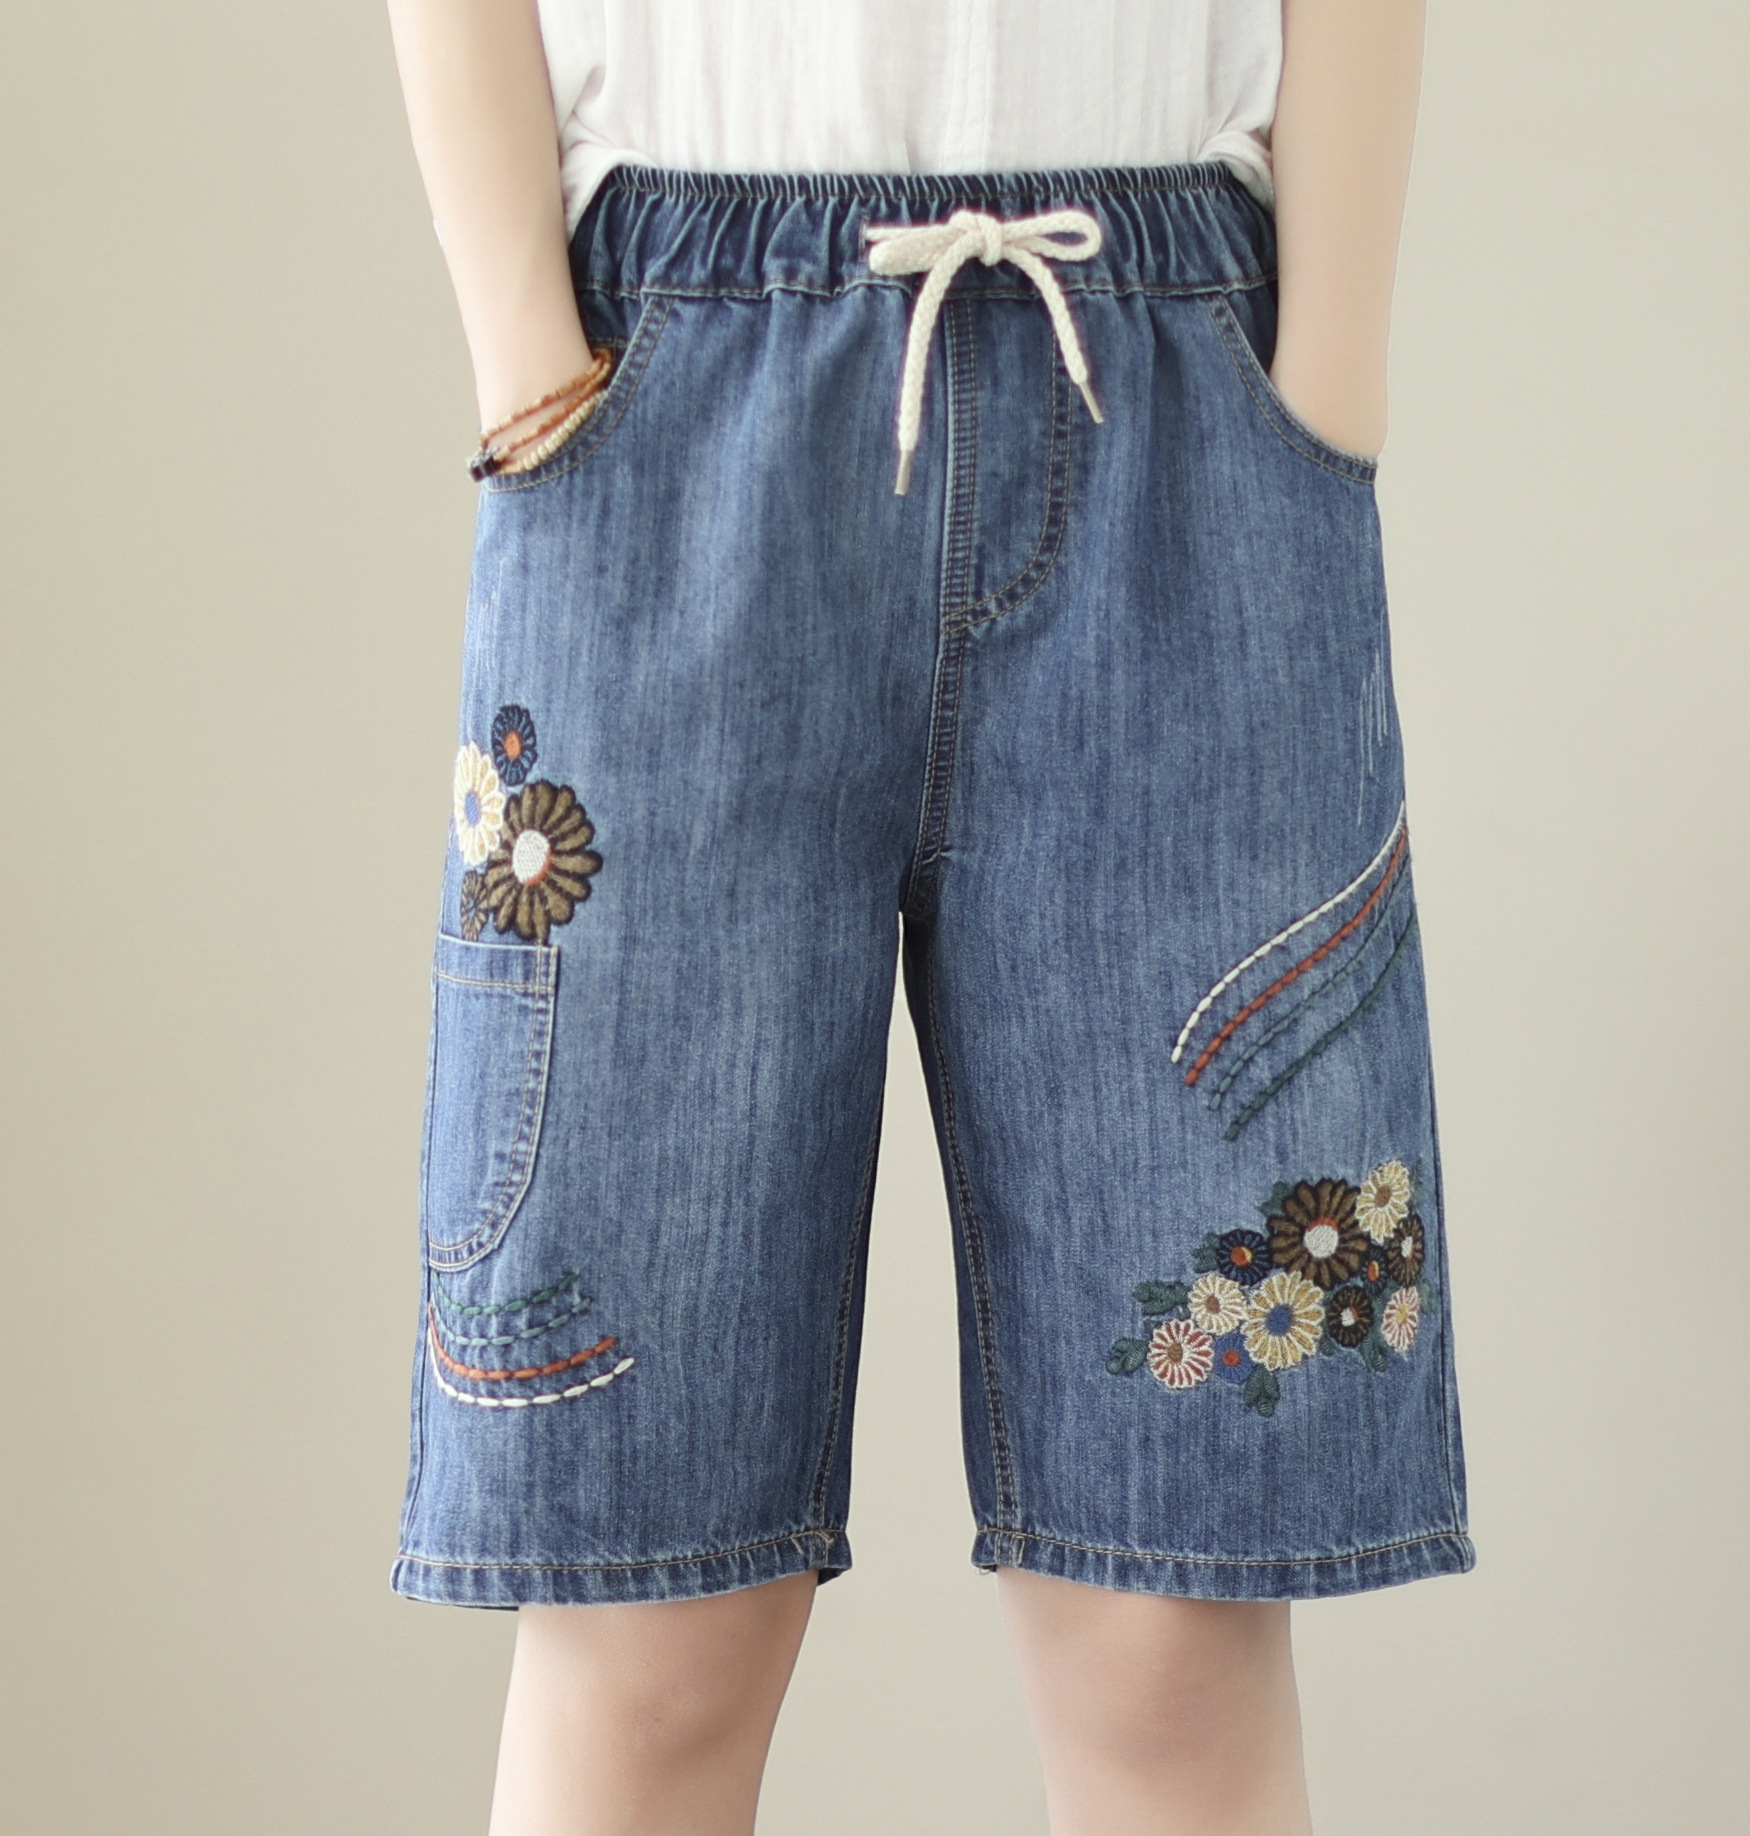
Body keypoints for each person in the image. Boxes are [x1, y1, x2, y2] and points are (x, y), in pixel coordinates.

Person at [383, 3, 1471, 1831]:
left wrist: (1330, 366)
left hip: (1178, 388)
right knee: (645, 1624)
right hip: (673, 404)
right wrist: (523, 353)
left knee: (1173, 1625)